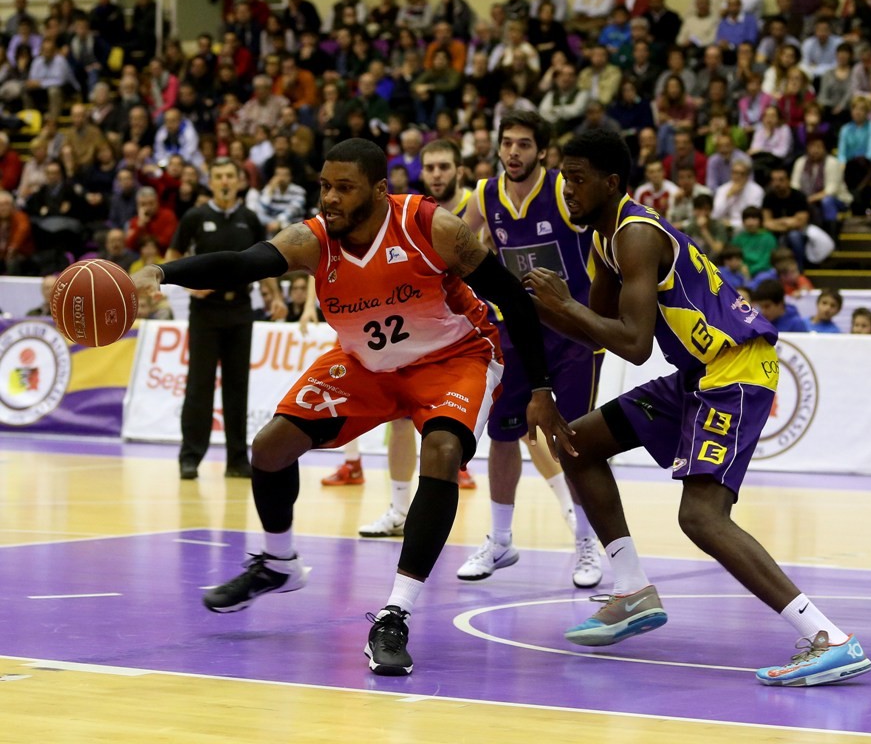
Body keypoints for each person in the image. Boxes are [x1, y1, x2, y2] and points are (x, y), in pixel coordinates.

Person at [132, 138, 572, 676]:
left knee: (440, 451)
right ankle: (278, 562)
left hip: (453, 358)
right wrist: (163, 271)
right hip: (367, 366)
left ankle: (394, 613)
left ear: (380, 191)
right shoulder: (314, 240)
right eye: (324, 186)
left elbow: (513, 298)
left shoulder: (432, 227)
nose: (330, 199)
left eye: (344, 188)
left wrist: (541, 387)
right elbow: (245, 263)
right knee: (269, 448)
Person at [524, 129, 871, 686]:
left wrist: (560, 304)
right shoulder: (603, 239)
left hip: (735, 369)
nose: (567, 190)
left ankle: (828, 636)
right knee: (578, 444)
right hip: (697, 373)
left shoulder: (636, 235)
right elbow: (594, 334)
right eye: (564, 178)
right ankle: (633, 590)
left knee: (700, 516)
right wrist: (531, 338)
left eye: (578, 179)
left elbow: (633, 345)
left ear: (611, 183)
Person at [456, 111, 605, 589]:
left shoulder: (565, 192)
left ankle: (588, 541)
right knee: (502, 435)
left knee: (577, 438)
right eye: (507, 143)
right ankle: (500, 540)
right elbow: (454, 247)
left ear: (542, 151)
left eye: (524, 144)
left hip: (572, 333)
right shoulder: (483, 196)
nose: (513, 152)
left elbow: (610, 237)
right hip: (515, 331)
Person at [347, 139, 478, 534]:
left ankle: (569, 520)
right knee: (401, 421)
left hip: (469, 337)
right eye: (431, 167)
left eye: (444, 167)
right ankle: (400, 510)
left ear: (459, 170)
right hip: (416, 332)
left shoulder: (476, 208)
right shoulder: (408, 212)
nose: (437, 174)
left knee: (518, 432)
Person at [162, 159, 286, 480]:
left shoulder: (250, 219)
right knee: (198, 386)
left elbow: (266, 263)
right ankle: (190, 457)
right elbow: (172, 258)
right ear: (211, 182)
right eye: (219, 177)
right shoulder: (195, 216)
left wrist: (274, 297)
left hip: (241, 310)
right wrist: (190, 288)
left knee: (237, 387)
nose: (225, 181)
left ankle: (237, 460)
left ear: (240, 181)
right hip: (205, 313)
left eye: (230, 176)